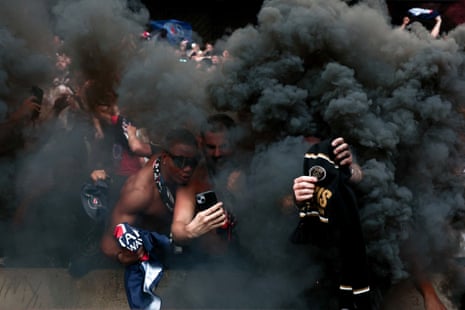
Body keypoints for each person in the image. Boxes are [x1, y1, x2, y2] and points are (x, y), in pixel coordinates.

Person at [100, 128, 199, 309]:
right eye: (180, 161)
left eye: (193, 162)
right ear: (165, 157)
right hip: (154, 248)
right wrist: (122, 256)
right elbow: (108, 242)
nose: (187, 169)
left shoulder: (190, 171)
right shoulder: (139, 192)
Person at [292, 136, 369, 309]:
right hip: (304, 272)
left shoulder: (340, 171)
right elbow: (279, 203)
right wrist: (297, 200)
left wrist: (351, 171)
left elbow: (359, 176)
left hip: (342, 269)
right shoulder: (287, 170)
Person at [171, 114, 247, 253]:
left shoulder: (250, 169)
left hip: (247, 260)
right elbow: (178, 228)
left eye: (223, 146)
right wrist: (190, 232)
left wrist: (242, 196)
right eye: (211, 147)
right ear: (201, 144)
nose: (217, 154)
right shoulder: (195, 178)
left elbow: (267, 222)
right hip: (207, 266)